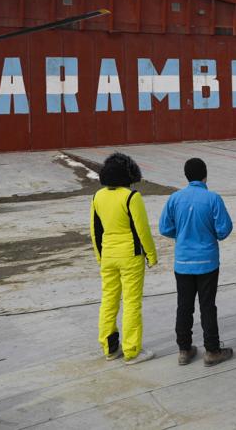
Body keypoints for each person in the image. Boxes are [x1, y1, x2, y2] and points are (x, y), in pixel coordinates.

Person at [159, 158, 234, 367]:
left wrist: (181, 234)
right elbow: (224, 229)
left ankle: (184, 350)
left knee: (184, 305)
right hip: (207, 262)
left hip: (182, 262)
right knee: (207, 305)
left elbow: (164, 228)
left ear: (186, 175)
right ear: (205, 175)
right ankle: (212, 351)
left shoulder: (174, 198)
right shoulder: (213, 199)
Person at [90, 152, 158, 364]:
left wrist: (100, 256)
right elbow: (142, 229)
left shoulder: (98, 196)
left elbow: (95, 230)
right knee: (131, 303)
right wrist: (151, 255)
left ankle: (110, 348)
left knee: (108, 302)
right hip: (130, 256)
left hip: (108, 255)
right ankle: (132, 350)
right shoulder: (131, 197)